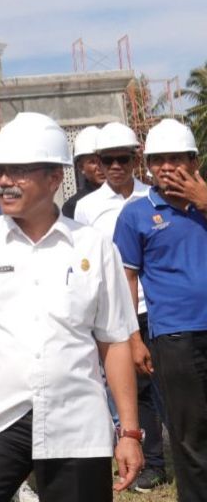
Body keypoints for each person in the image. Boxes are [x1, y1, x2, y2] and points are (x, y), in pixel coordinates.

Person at [0, 112, 142, 501]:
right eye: (0, 171)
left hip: (76, 420)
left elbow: (113, 342)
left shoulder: (94, 247)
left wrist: (128, 431)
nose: (5, 182)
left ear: (54, 178)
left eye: (20, 171)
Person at [69, 121, 166, 491]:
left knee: (165, 386)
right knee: (131, 389)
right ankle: (151, 462)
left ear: (134, 158)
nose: (115, 166)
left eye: (122, 159)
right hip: (110, 309)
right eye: (106, 160)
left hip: (151, 305)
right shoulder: (87, 208)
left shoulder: (152, 197)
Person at [114, 118, 207, 501]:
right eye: (157, 160)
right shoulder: (136, 215)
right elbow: (126, 281)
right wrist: (134, 338)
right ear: (147, 166)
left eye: (175, 158)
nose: (166, 167)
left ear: (193, 161)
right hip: (174, 337)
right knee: (190, 433)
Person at [61, 126, 104, 218]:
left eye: (103, 160)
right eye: (92, 162)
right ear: (81, 167)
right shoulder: (73, 206)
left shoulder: (125, 196)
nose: (100, 167)